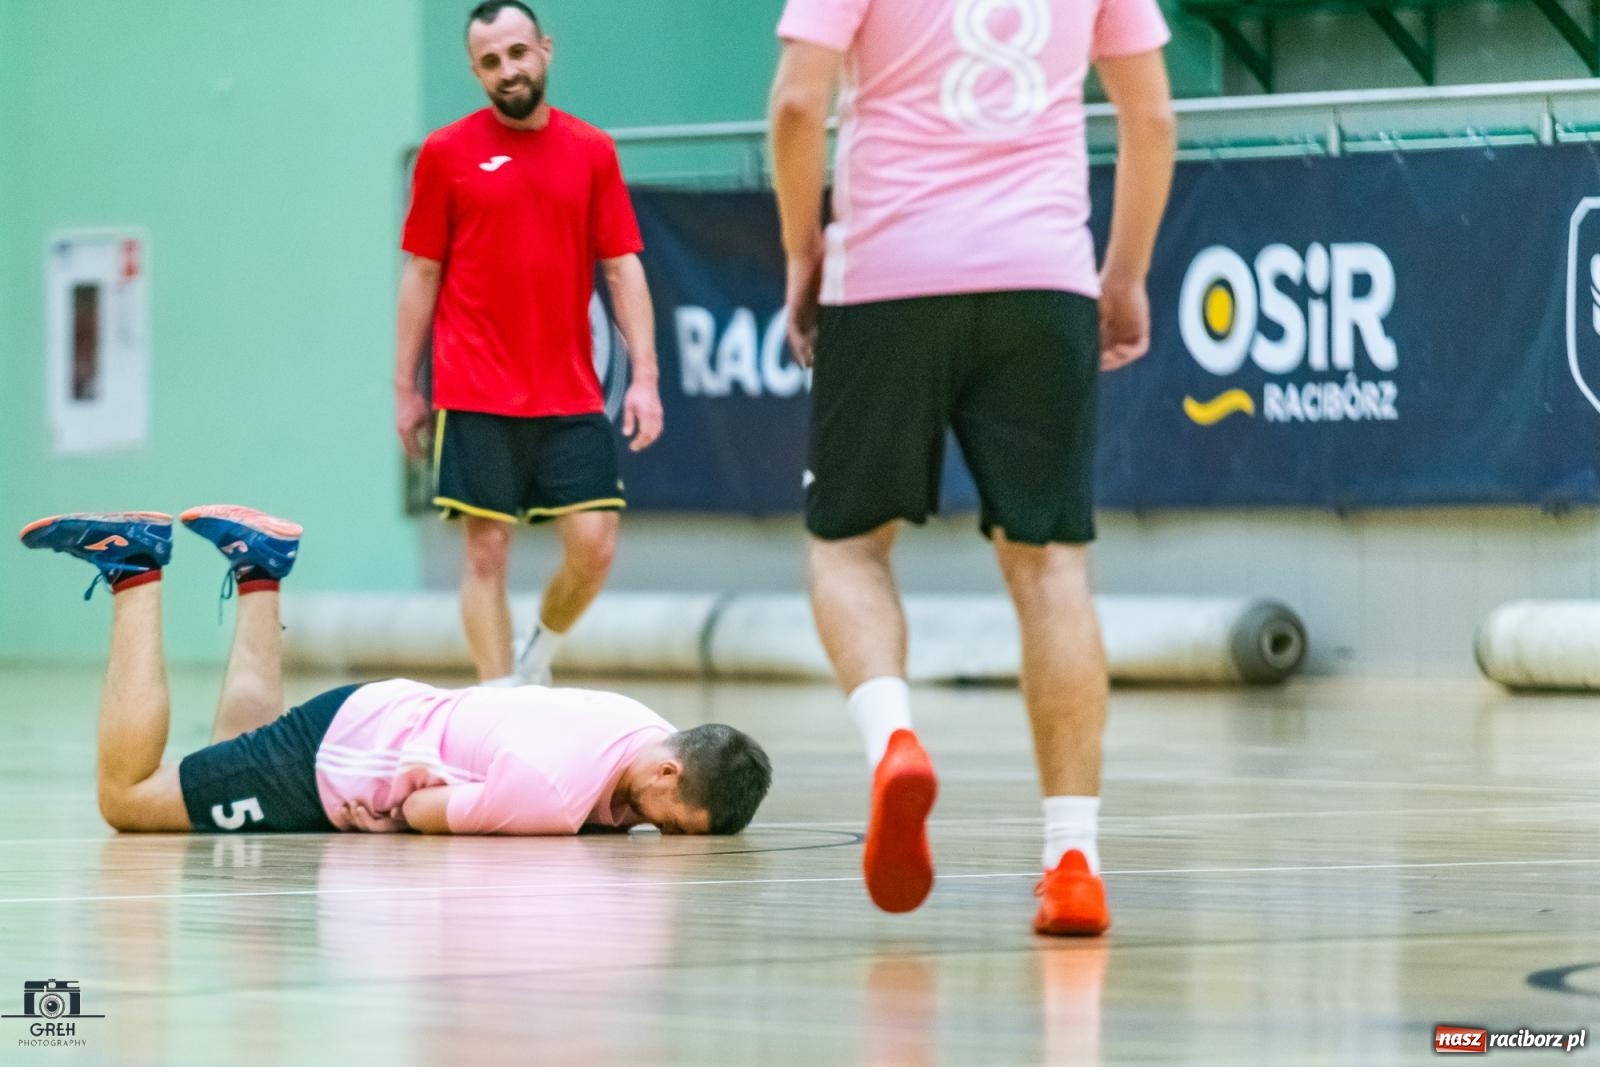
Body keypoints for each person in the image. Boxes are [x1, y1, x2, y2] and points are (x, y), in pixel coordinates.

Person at [768, 0, 1176, 934]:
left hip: (889, 274)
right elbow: (1149, 116)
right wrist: (1123, 273)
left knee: (848, 549)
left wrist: (803, 251)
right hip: (1043, 276)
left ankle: (894, 741)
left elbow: (799, 103)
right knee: (1051, 563)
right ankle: (1073, 857)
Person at [19, 507, 771, 836]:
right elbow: (416, 815)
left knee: (228, 750)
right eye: (661, 820)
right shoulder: (551, 793)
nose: (642, 827)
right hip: (331, 763)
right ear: (671, 770)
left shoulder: (638, 721)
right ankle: (133, 565)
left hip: (377, 716)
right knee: (129, 798)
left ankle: (259, 569)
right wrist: (414, 806)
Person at [395, 0, 664, 686]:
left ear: (545, 49)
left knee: (595, 545)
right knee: (485, 551)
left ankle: (535, 657)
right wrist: (405, 386)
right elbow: (421, 271)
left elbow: (622, 264)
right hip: (473, 388)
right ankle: (495, 701)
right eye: (490, 61)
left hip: (568, 390)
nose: (507, 70)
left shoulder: (592, 151)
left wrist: (645, 377)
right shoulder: (444, 154)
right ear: (475, 71)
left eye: (517, 53)